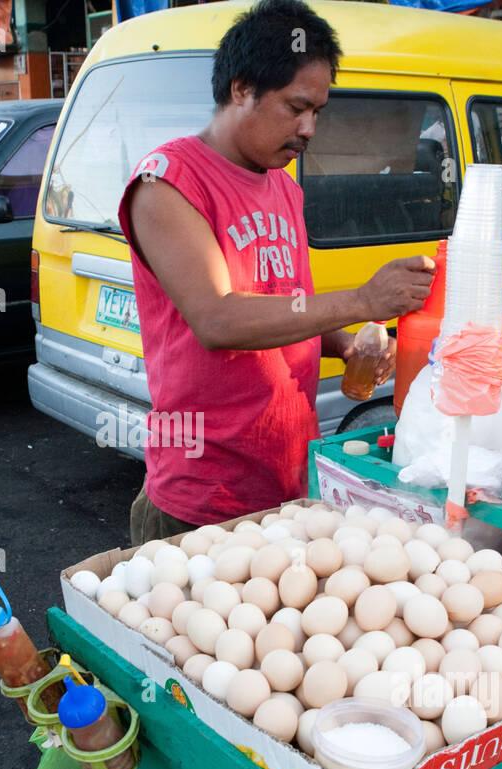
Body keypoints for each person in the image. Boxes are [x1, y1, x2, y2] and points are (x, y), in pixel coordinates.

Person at [118, 0, 434, 545]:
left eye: (318, 111)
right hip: (204, 493)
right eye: (296, 107)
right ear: (242, 88)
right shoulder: (167, 183)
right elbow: (218, 319)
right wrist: (363, 299)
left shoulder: (283, 185)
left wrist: (345, 343)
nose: (309, 128)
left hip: (287, 477)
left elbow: (285, 301)